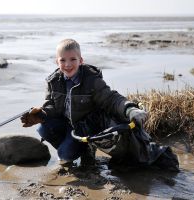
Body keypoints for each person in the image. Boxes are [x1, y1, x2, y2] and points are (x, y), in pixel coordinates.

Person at [21, 39, 179, 171]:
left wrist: (130, 109)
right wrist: (41, 114)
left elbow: (111, 99)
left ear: (81, 61)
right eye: (63, 60)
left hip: (85, 127)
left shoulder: (92, 80)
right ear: (57, 61)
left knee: (65, 155)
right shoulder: (53, 81)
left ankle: (86, 147)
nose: (67, 64)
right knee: (43, 128)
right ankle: (76, 147)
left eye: (73, 60)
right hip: (66, 123)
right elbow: (51, 106)